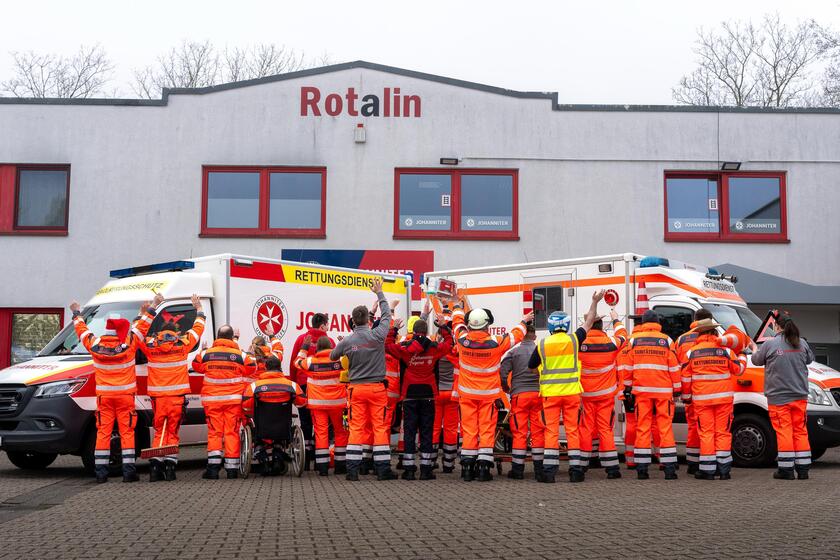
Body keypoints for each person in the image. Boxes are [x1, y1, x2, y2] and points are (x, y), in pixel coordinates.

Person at [71, 299, 152, 483]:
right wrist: (150, 308)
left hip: (104, 398)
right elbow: (142, 327)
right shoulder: (129, 343)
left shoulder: (95, 345)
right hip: (125, 397)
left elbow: (82, 331)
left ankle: (100, 473)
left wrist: (77, 312)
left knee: (103, 433)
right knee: (127, 432)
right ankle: (129, 472)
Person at [451, 300, 531, 482]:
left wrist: (457, 307)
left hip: (467, 395)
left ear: (470, 324)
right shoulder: (496, 343)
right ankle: (484, 470)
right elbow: (515, 336)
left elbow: (456, 323)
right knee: (486, 430)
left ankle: (467, 469)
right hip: (488, 396)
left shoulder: (462, 341)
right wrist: (524, 321)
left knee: (469, 430)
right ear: (487, 325)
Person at [529, 291, 603, 483]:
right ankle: (576, 471)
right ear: (567, 325)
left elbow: (531, 367)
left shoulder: (542, 344)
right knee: (572, 430)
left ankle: (549, 472)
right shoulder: (574, 340)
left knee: (551, 431)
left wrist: (543, 373)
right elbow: (589, 322)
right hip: (572, 394)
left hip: (550, 396)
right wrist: (594, 301)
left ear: (551, 326)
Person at [330, 278, 397, 481]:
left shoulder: (348, 341)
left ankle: (352, 471)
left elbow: (333, 356)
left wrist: (346, 349)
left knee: (356, 428)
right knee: (379, 427)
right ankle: (383, 469)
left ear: (352, 321)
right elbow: (386, 315)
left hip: (356, 390)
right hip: (377, 389)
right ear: (368, 320)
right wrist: (379, 293)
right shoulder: (377, 335)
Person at [136, 293, 206, 482]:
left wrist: (147, 311)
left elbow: (136, 334)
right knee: (172, 431)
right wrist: (198, 309)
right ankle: (170, 468)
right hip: (176, 398)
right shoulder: (182, 344)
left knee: (160, 431)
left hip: (158, 398)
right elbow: (198, 328)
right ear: (175, 331)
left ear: (159, 332)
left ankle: (155, 467)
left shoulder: (151, 345)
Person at [386, 318, 453, 480]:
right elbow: (450, 343)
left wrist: (394, 329)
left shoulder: (404, 348)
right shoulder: (434, 348)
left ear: (414, 332)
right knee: (426, 432)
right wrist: (443, 326)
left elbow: (387, 346)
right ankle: (425, 469)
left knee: (409, 432)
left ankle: (409, 470)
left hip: (409, 395)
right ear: (426, 331)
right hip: (428, 395)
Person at [681, 318, 747, 480]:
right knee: (722, 433)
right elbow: (738, 370)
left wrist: (687, 397)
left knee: (706, 433)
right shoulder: (725, 351)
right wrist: (743, 356)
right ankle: (724, 470)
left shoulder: (692, 353)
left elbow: (685, 379)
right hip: (723, 400)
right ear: (713, 332)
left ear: (700, 334)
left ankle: (707, 470)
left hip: (702, 401)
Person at [751, 313, 815, 480]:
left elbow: (757, 361)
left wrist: (754, 349)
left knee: (784, 431)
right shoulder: (802, 343)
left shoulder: (770, 344)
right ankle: (803, 469)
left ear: (776, 327)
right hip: (800, 395)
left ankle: (786, 469)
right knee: (800, 431)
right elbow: (809, 359)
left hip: (778, 398)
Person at [192, 325, 257, 479]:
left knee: (215, 433)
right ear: (231, 338)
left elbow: (196, 366)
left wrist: (203, 351)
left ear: (218, 337)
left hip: (212, 401)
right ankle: (232, 469)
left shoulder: (206, 354)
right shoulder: (240, 355)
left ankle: (213, 469)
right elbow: (252, 368)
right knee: (231, 432)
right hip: (233, 401)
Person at [625, 310, 681, 480]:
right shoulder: (666, 340)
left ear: (642, 323)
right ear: (657, 322)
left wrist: (627, 388)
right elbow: (674, 367)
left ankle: (642, 469)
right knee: (664, 428)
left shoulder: (634, 341)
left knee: (643, 427)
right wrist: (677, 389)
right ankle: (669, 469)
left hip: (642, 392)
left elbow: (628, 367)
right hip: (663, 392)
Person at [578, 307, 627, 479]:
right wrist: (616, 319)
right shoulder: (611, 344)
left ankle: (582, 465)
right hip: (605, 396)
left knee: (585, 428)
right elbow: (624, 337)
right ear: (601, 325)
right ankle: (612, 468)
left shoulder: (579, 344)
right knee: (605, 429)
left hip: (586, 396)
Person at [294, 335, 349, 476]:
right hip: (338, 403)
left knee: (321, 433)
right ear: (331, 348)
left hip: (318, 405)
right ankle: (340, 466)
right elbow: (351, 362)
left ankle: (322, 467)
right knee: (341, 432)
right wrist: (342, 346)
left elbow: (297, 363)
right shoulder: (340, 360)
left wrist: (304, 348)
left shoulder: (311, 362)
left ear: (317, 348)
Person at [242, 355, 306, 476]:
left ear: (265, 367)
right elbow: (302, 403)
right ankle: (278, 455)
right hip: (283, 427)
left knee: (258, 433)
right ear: (280, 368)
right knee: (282, 432)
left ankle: (263, 458)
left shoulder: (255, 386)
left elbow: (246, 406)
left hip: (262, 427)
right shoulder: (291, 385)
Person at [500, 323, 545, 481]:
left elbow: (503, 372)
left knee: (519, 432)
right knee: (538, 432)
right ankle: (539, 469)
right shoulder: (541, 349)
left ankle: (517, 470)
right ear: (533, 335)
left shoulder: (513, 351)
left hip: (519, 396)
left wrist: (506, 387)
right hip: (538, 395)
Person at [289, 312, 333, 471]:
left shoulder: (302, 339)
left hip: (303, 386)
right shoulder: (330, 341)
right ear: (322, 325)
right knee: (321, 424)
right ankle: (319, 456)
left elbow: (294, 363)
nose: (328, 328)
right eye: (327, 325)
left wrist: (294, 386)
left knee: (306, 422)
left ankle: (306, 460)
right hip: (324, 389)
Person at [672, 308, 714, 474]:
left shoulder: (681, 339)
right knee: (710, 429)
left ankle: (693, 462)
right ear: (709, 321)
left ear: (695, 319)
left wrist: (682, 392)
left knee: (692, 427)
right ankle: (709, 461)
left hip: (690, 390)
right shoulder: (715, 338)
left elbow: (676, 365)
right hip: (711, 391)